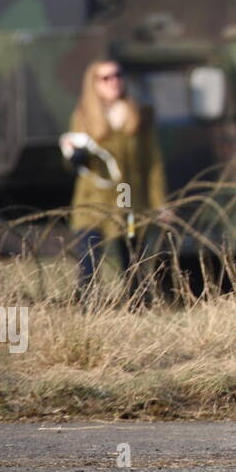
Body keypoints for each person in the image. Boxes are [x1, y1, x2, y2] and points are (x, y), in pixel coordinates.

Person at [61, 60, 168, 304]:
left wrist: (159, 202)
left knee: (133, 259)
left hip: (129, 202)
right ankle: (88, 310)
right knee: (88, 260)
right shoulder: (84, 115)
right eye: (105, 78)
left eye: (117, 75)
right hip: (93, 203)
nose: (114, 81)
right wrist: (76, 156)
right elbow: (72, 159)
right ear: (94, 84)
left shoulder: (137, 115)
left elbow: (153, 164)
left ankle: (138, 306)